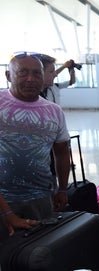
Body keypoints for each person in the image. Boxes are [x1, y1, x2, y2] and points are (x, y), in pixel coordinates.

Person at [0, 53, 70, 234]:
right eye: (23, 73)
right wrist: (6, 211)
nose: (30, 79)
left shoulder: (54, 111)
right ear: (8, 76)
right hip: (3, 199)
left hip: (41, 199)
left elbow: (62, 151)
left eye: (37, 73)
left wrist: (62, 189)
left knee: (39, 251)